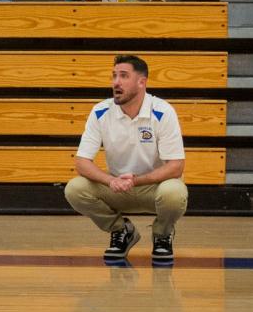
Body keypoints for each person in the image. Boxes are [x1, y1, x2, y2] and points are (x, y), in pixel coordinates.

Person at [64, 55, 187, 264]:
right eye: (114, 76)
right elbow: (82, 162)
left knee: (174, 192)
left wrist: (137, 180)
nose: (116, 82)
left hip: (153, 187)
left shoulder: (163, 111)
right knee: (74, 189)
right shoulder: (101, 111)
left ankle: (162, 235)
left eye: (123, 76)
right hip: (117, 187)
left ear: (142, 82)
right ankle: (122, 230)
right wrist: (111, 181)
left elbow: (176, 166)